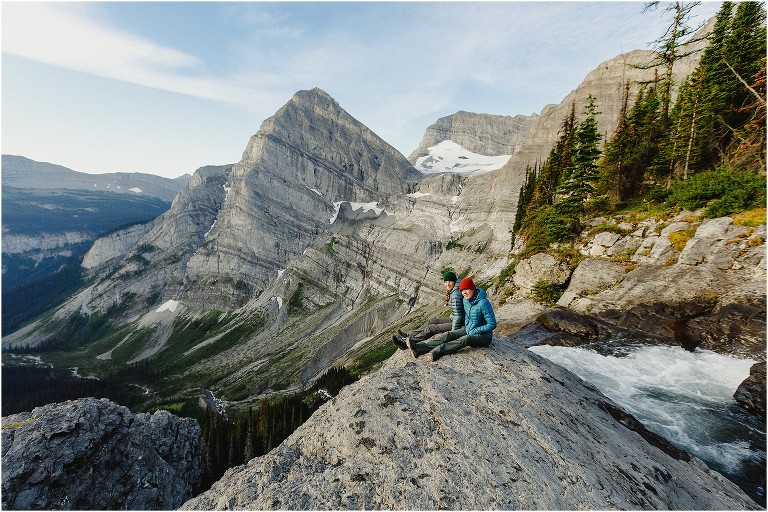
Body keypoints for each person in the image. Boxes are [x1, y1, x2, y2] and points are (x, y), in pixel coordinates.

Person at [407, 277, 496, 362]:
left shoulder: (483, 303)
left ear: (473, 288)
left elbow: (492, 324)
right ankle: (419, 348)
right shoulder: (466, 300)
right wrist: (467, 326)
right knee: (449, 335)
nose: (464, 292)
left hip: (484, 336)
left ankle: (437, 352)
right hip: (469, 328)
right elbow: (467, 316)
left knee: (465, 339)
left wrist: (475, 330)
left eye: (466, 289)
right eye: (462, 290)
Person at [391, 271, 464, 350]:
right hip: (454, 318)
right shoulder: (455, 288)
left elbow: (458, 317)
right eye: (446, 282)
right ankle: (409, 335)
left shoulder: (456, 294)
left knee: (432, 328)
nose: (447, 284)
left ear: (454, 281)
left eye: (450, 281)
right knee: (432, 320)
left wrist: (454, 334)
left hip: (460, 323)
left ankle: (406, 343)